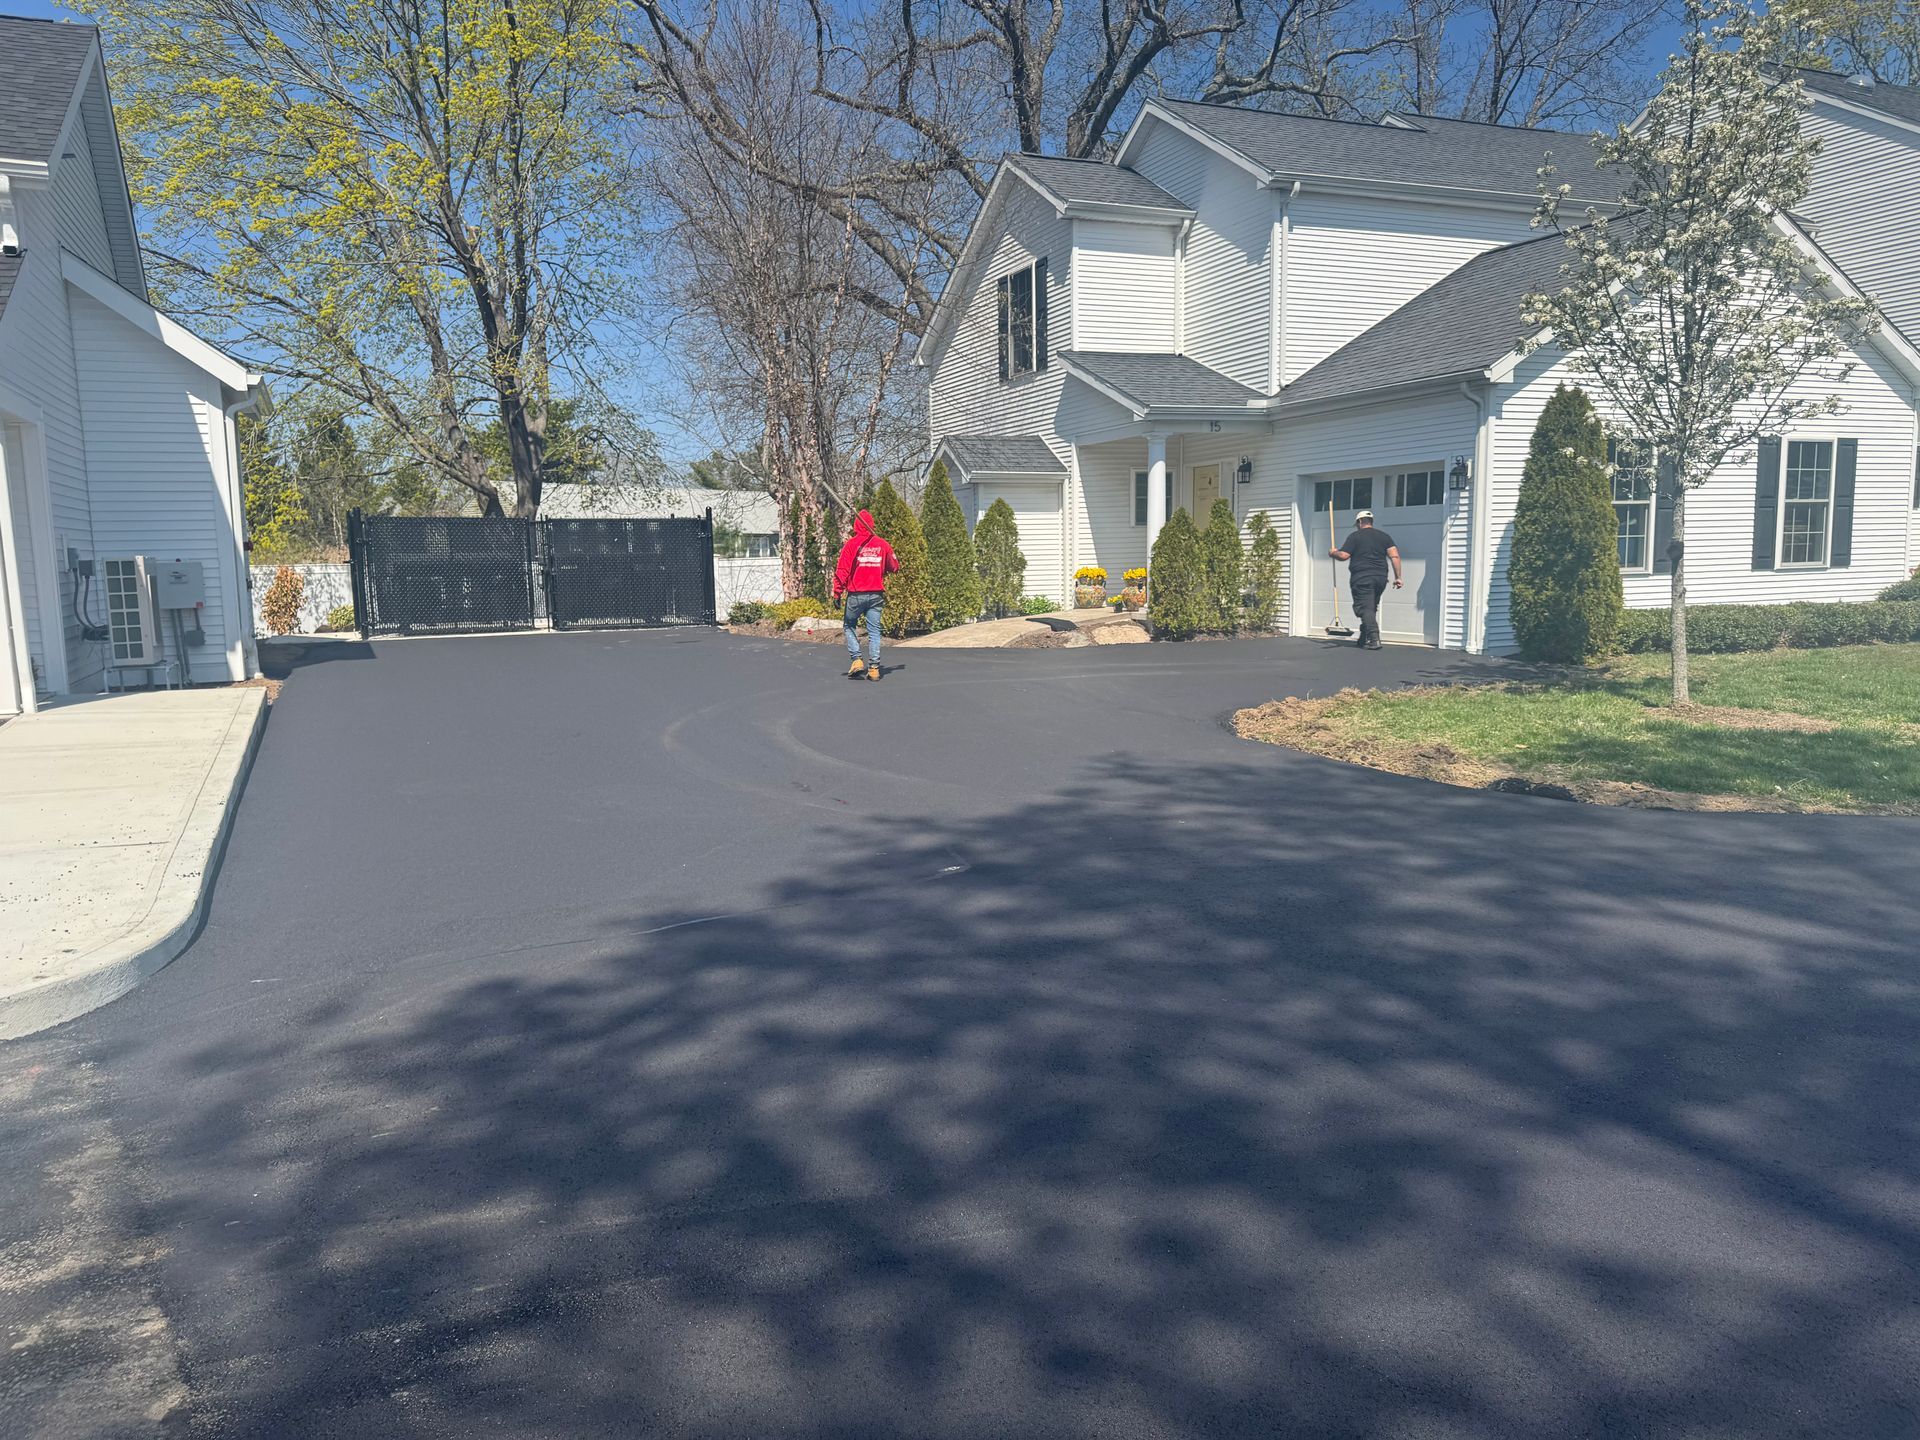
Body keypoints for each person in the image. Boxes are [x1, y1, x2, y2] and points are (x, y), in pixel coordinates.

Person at [832, 508, 899, 680]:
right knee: (874, 631)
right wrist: (889, 554)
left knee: (849, 625)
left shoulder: (851, 545)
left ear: (856, 526)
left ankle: (857, 660)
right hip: (876, 595)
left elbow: (842, 571)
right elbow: (894, 567)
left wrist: (837, 593)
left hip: (856, 595)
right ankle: (874, 668)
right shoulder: (882, 544)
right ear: (871, 525)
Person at [1329, 509, 1402, 650]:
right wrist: (1398, 577)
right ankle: (1364, 637)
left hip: (1362, 578)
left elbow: (1343, 556)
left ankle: (1374, 639)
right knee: (1371, 607)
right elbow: (1395, 556)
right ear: (1371, 521)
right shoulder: (1384, 537)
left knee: (1364, 608)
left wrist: (1333, 553)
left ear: (1359, 522)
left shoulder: (1355, 536)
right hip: (1381, 578)